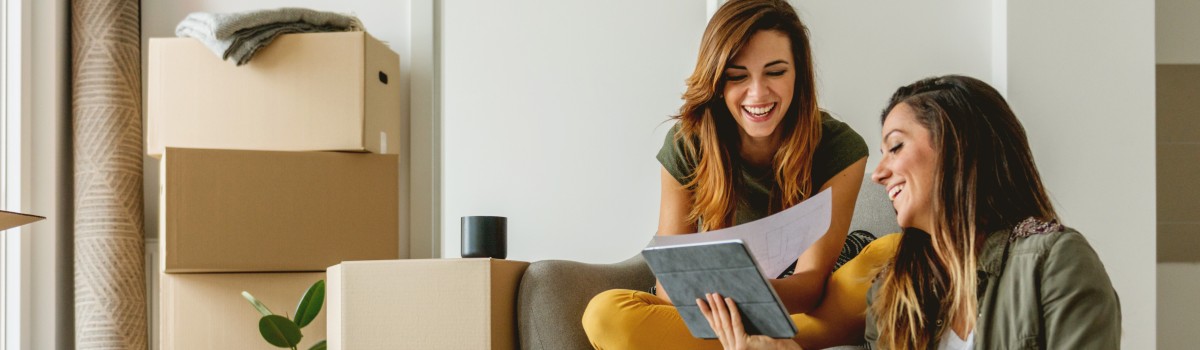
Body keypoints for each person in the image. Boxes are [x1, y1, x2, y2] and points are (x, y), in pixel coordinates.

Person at [698, 75, 1122, 349]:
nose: (879, 174)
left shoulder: (1053, 263)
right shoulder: (892, 293)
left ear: (959, 146)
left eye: (896, 146)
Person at [581, 0, 871, 348]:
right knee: (604, 313)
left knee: (888, 257)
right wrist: (730, 307)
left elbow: (809, 287)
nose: (758, 93)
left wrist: (740, 298)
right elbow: (669, 283)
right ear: (717, 81)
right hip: (715, 312)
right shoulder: (687, 143)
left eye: (776, 72)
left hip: (801, 305)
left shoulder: (841, 147)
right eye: (737, 76)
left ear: (799, 73)